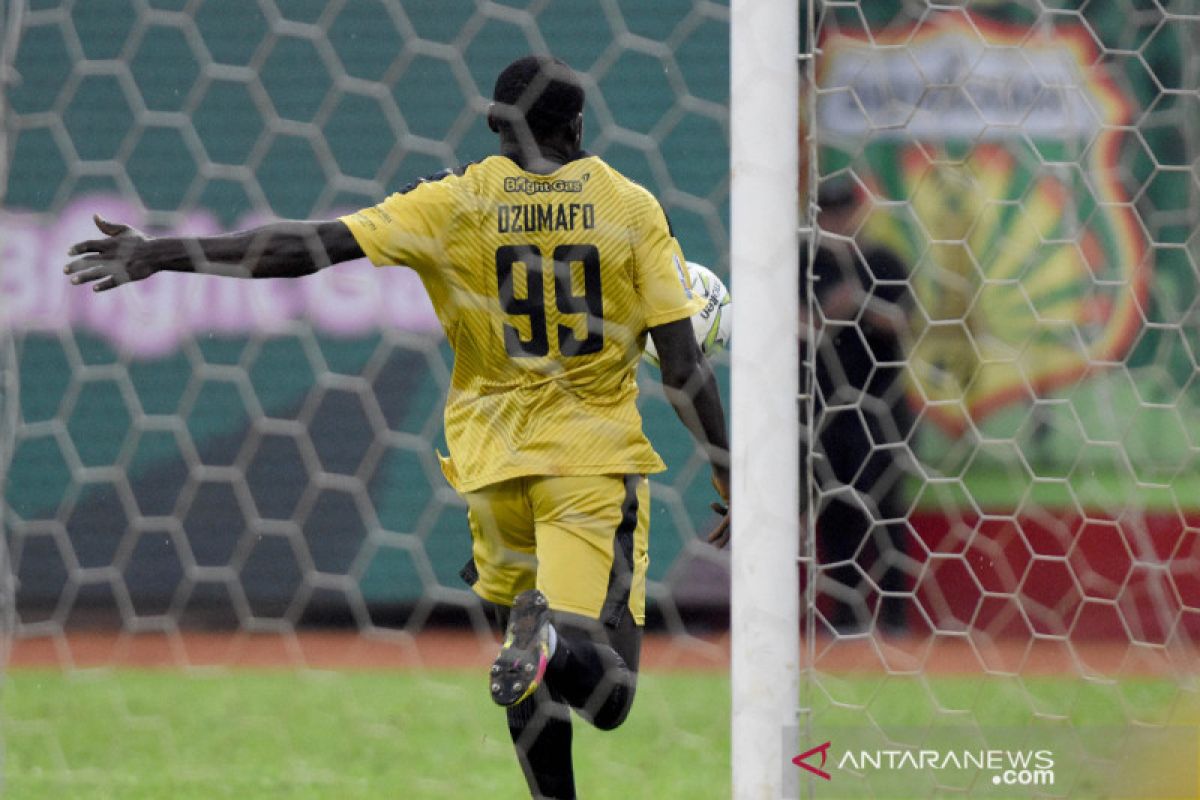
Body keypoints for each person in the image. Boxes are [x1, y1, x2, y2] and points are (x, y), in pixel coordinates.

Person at [64, 55, 731, 799]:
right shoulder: (631, 207)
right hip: (586, 466)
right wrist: (726, 468)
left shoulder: (454, 201)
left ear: (494, 124)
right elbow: (680, 362)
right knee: (607, 692)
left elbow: (304, 249)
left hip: (489, 470)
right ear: (579, 125)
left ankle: (538, 665)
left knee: (530, 677)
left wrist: (161, 252)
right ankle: (545, 639)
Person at [802, 177, 914, 635]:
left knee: (887, 507)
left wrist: (862, 305)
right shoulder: (806, 266)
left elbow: (904, 320)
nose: (836, 222)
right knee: (837, 509)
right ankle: (845, 615)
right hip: (827, 408)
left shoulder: (885, 261)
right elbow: (797, 325)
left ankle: (896, 617)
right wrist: (832, 314)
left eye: (843, 212)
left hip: (881, 404)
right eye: (827, 214)